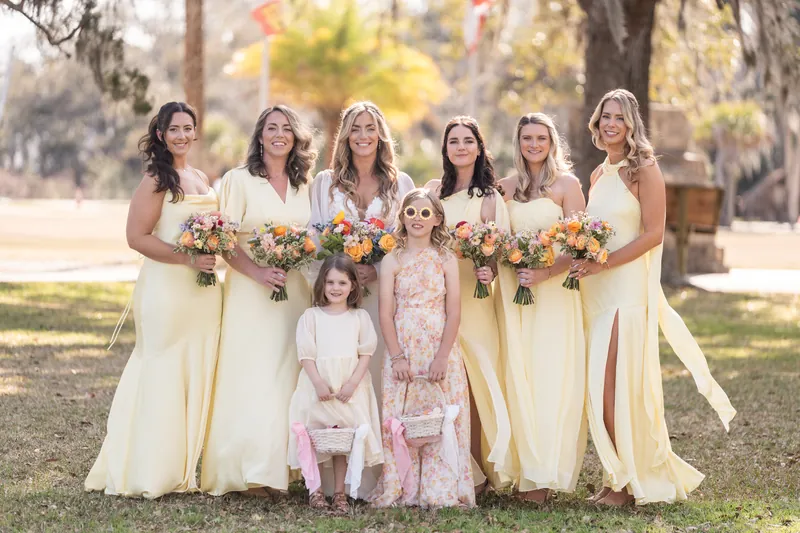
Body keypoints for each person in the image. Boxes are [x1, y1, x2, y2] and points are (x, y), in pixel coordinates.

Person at [572, 88, 736, 505]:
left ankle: (629, 483)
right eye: (605, 116)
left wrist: (604, 262)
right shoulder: (597, 175)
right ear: (596, 121)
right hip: (594, 290)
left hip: (625, 291)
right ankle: (616, 476)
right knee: (596, 386)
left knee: (614, 387)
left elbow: (652, 234)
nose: (611, 123)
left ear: (631, 124)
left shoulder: (642, 169)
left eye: (620, 118)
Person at [85, 102, 221, 498]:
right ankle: (146, 470)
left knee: (192, 372)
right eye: (173, 129)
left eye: (188, 128)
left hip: (204, 293)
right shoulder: (156, 179)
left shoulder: (198, 176)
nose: (181, 135)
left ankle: (181, 470)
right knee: (161, 370)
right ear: (161, 134)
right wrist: (188, 258)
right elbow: (137, 237)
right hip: (167, 288)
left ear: (196, 133)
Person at [201, 105, 317, 497]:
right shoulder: (238, 180)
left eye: (287, 128)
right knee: (252, 376)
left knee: (287, 378)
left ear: (296, 137)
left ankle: (280, 470)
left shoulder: (306, 184)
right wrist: (258, 272)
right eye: (272, 128)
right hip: (251, 292)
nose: (279, 134)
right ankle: (246, 471)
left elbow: (313, 238)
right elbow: (224, 239)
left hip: (294, 291)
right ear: (260, 135)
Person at [496, 113, 588, 502]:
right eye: (526, 138)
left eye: (541, 138)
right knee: (519, 376)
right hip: (517, 296)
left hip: (553, 296)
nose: (534, 145)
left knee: (550, 377)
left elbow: (583, 247)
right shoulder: (507, 187)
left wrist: (546, 272)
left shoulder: (567, 186)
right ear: (518, 143)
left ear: (552, 142)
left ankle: (544, 477)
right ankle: (524, 471)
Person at [370, 188, 474, 508]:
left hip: (438, 345)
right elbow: (385, 312)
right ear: (402, 217)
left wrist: (443, 355)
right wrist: (397, 356)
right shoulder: (392, 260)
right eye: (411, 212)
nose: (418, 218)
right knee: (403, 417)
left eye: (425, 213)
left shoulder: (445, 259)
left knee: (441, 416)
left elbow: (454, 310)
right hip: (404, 344)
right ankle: (402, 485)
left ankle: (440, 488)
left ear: (437, 219)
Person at [424, 116, 511, 490]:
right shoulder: (432, 192)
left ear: (479, 147)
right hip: (436, 298)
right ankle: (446, 465)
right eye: (453, 141)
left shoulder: (489, 198)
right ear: (445, 149)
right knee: (443, 383)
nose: (460, 147)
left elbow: (498, 251)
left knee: (474, 382)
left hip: (474, 299)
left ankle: (477, 469)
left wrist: (487, 268)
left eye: (468, 140)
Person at [288, 254, 383, 514]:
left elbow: (366, 353)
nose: (335, 288)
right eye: (330, 282)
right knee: (315, 437)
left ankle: (340, 492)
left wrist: (353, 383)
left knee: (342, 438)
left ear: (353, 285)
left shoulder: (360, 317)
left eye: (342, 282)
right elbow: (306, 354)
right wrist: (318, 382)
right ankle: (315, 490)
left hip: (347, 387)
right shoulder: (311, 316)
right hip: (318, 386)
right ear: (322, 284)